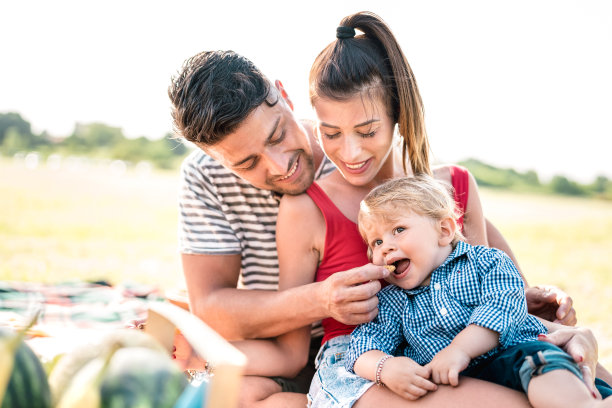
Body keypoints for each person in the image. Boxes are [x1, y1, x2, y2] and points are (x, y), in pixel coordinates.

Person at [167, 17, 590, 406]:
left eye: (278, 135)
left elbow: (477, 269)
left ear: (284, 95)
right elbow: (221, 312)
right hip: (342, 358)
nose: (280, 166)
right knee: (238, 395)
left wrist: (532, 309)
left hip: (438, 350)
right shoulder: (265, 195)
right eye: (246, 163)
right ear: (216, 159)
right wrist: (318, 301)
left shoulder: (373, 154)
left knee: (574, 372)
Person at [346, 175, 612, 407]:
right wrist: (385, 367)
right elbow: (362, 345)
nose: (385, 248)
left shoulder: (486, 262)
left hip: (516, 355)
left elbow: (503, 306)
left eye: (398, 230)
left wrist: (459, 350)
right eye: (376, 242)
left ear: (444, 229)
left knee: (540, 361)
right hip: (465, 385)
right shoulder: (393, 301)